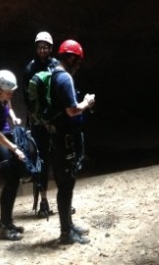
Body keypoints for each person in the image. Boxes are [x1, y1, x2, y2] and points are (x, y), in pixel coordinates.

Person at [50, 39, 96, 245]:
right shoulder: (64, 78)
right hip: (63, 140)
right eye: (78, 61)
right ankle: (66, 232)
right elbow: (72, 110)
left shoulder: (53, 73)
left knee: (66, 184)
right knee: (66, 185)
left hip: (57, 138)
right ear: (70, 58)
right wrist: (86, 103)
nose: (78, 65)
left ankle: (68, 225)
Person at [0, 69, 27, 240]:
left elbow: (8, 107)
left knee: (14, 181)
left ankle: (7, 222)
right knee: (10, 181)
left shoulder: (4, 97)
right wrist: (15, 149)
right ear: (0, 90)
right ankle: (3, 226)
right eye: (9, 92)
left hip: (6, 138)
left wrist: (14, 118)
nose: (11, 95)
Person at [22, 31, 59, 218]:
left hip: (55, 119)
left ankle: (63, 201)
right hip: (38, 123)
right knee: (42, 161)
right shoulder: (30, 68)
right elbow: (28, 99)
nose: (42, 50)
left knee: (60, 160)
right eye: (39, 47)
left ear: (50, 48)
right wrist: (40, 121)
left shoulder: (56, 66)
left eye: (45, 47)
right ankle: (43, 201)